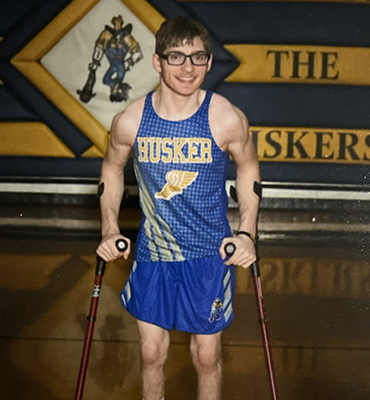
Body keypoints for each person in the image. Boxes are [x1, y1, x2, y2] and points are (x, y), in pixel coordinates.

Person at [96, 16, 261, 400]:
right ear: (157, 62)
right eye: (176, 57)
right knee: (151, 351)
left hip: (209, 254)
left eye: (198, 57)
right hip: (154, 252)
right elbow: (111, 168)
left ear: (208, 61)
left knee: (206, 355)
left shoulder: (225, 118)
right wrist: (109, 228)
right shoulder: (132, 121)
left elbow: (249, 166)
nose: (188, 68)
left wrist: (247, 232)